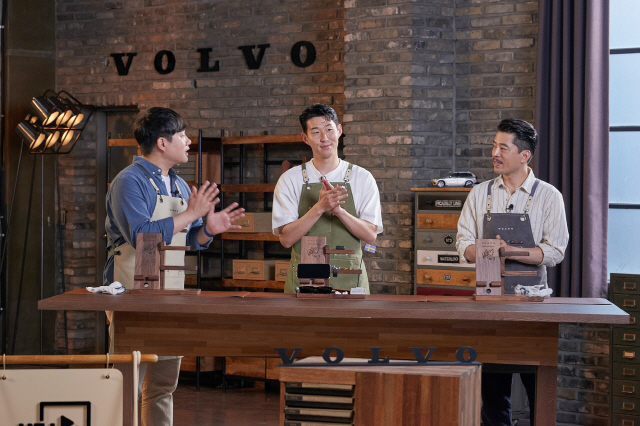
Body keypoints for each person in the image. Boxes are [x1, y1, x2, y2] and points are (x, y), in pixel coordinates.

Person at [104, 107, 244, 426]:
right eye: (182, 135)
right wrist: (193, 214)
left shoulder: (179, 184)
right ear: (163, 143)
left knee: (162, 386)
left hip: (172, 294)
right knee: (125, 383)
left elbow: (187, 239)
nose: (188, 141)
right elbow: (144, 237)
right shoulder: (129, 181)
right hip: (132, 295)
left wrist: (209, 228)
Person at [456, 118, 569, 426]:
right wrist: (487, 250)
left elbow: (556, 251)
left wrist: (512, 252)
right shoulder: (479, 194)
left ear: (524, 156)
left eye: (502, 147)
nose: (495, 152)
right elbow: (462, 244)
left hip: (534, 306)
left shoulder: (549, 196)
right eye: (494, 145)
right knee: (493, 394)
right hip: (489, 304)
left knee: (537, 390)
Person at [272, 104, 383, 293]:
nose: (324, 138)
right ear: (305, 138)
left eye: (329, 130)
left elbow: (370, 236)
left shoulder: (362, 178)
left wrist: (339, 211)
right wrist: (319, 208)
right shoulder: (291, 179)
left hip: (351, 283)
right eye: (315, 132)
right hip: (303, 283)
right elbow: (286, 239)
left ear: (339, 131)